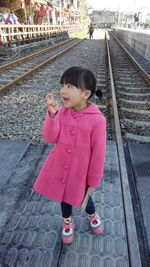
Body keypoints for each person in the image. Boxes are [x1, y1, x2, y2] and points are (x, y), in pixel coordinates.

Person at [33, 66, 106, 244]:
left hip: (80, 172)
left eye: (70, 86)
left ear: (85, 94)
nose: (63, 91)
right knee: (63, 197)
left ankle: (92, 214)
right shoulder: (61, 114)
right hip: (59, 167)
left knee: (84, 197)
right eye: (62, 85)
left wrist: (94, 178)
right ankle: (67, 221)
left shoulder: (97, 120)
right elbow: (50, 137)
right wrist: (52, 115)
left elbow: (99, 152)